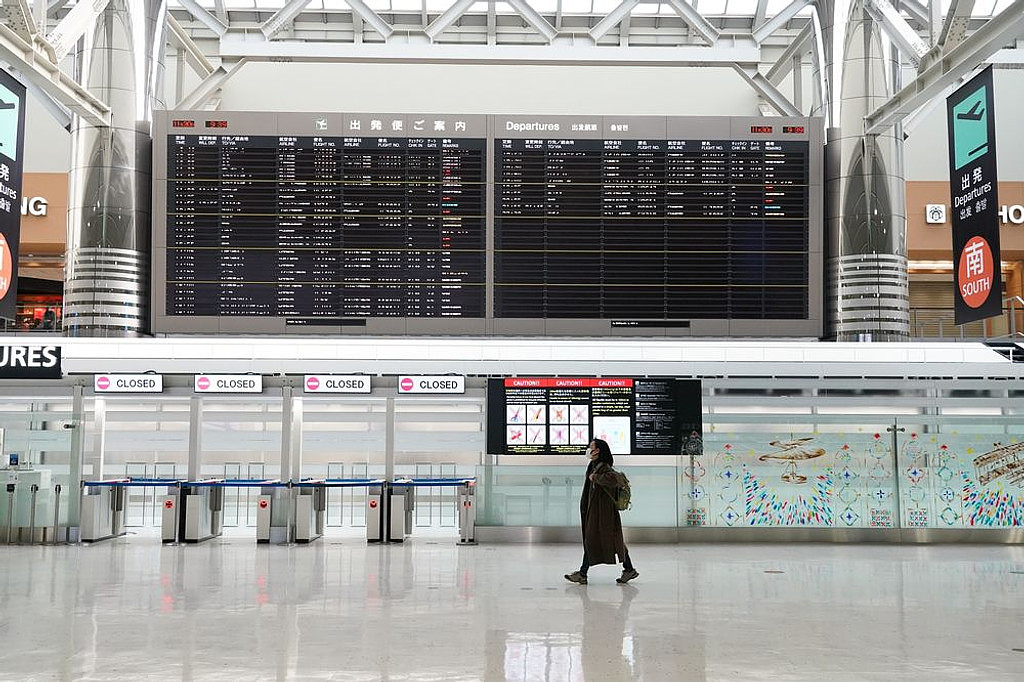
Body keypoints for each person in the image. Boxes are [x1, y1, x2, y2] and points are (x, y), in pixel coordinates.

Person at [564, 438, 638, 584]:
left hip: (604, 513)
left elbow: (613, 479)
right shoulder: (594, 465)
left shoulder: (603, 467)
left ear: (597, 450)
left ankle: (583, 573)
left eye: (591, 447)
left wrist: (596, 478)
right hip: (598, 511)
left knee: (593, 539)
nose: (588, 449)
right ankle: (629, 569)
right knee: (610, 540)